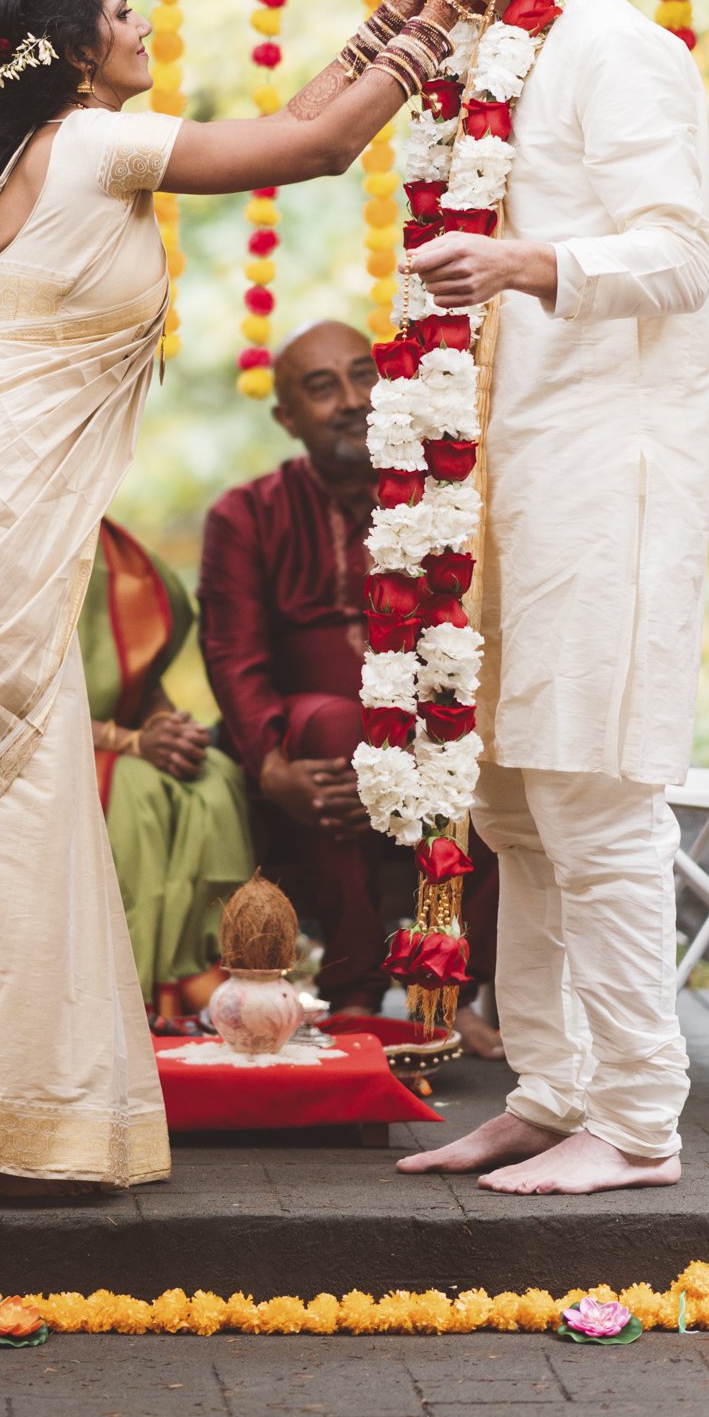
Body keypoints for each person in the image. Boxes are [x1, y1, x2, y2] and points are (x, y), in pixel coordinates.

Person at [0, 0, 511, 1199]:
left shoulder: (61, 146)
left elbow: (283, 118)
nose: (145, 27)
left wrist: (391, 12)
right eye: (125, 12)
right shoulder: (93, 143)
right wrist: (446, 16)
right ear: (79, 49)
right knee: (17, 809)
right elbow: (309, 149)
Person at [369, 0, 709, 1197]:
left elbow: (681, 258)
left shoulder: (617, 51)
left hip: (600, 477)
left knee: (594, 801)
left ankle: (638, 1120)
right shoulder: (483, 58)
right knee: (509, 803)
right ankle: (554, 1087)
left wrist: (523, 265)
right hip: (502, 477)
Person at [199, 319, 499, 1028]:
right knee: (341, 726)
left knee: (482, 738)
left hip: (434, 737)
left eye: (364, 375)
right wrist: (272, 769)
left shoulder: (445, 498)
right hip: (308, 754)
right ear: (287, 417)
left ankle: (461, 992)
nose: (351, 398)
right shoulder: (245, 515)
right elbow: (233, 657)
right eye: (320, 387)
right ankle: (355, 986)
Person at [81, 516, 254, 1016]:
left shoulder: (120, 556)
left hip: (119, 739)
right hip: (40, 748)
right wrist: (131, 742)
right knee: (139, 788)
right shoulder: (3, 549)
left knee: (213, 774)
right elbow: (9, 705)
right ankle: (140, 995)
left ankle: (205, 974)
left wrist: (170, 731)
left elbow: (143, 684)